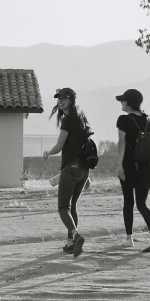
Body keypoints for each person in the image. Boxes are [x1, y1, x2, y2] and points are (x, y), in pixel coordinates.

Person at [43, 88, 91, 257]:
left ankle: (76, 236)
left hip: (71, 168)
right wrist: (88, 174)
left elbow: (59, 146)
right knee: (72, 207)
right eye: (59, 98)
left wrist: (48, 152)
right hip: (83, 170)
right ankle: (70, 244)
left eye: (64, 98)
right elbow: (86, 146)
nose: (60, 101)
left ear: (72, 100)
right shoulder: (81, 118)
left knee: (63, 208)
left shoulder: (68, 120)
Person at [115, 89, 150, 252]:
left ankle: (129, 238)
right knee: (142, 203)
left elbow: (121, 143)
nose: (121, 102)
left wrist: (119, 165)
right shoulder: (149, 121)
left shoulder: (123, 120)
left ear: (130, 102)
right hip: (147, 168)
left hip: (129, 166)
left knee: (128, 202)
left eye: (123, 100)